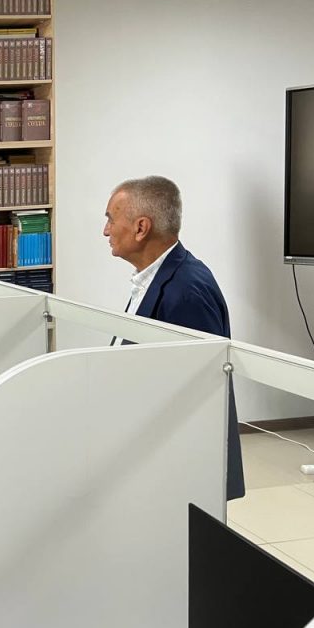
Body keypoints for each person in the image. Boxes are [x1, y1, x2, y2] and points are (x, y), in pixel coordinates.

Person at [103, 175, 245, 500]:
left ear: (141, 228)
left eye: (111, 219)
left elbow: (200, 394)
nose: (106, 231)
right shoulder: (155, 277)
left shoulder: (187, 291)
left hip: (174, 468)